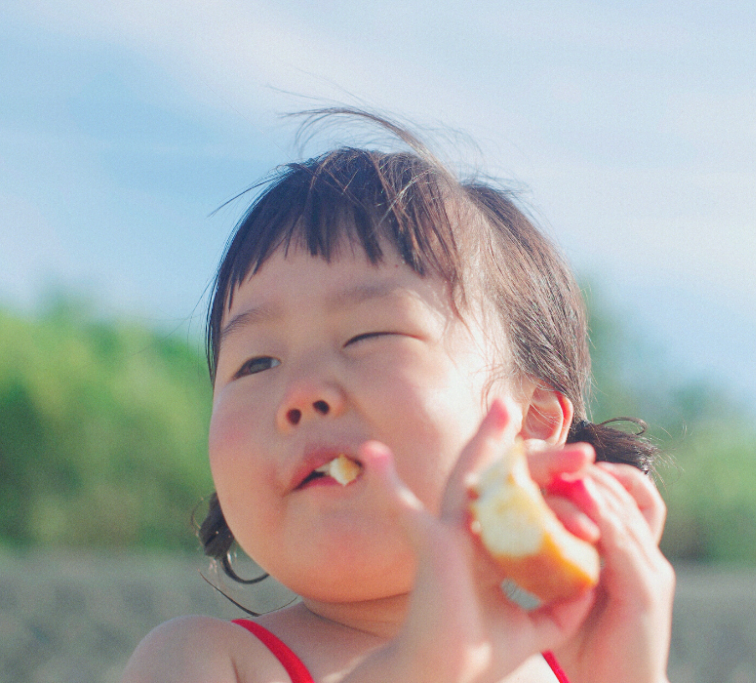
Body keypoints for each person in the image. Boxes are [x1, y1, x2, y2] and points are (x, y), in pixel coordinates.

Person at [121, 109, 675, 683]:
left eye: (369, 336)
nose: (302, 393)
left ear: (530, 423)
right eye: (256, 362)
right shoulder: (200, 660)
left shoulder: (583, 668)